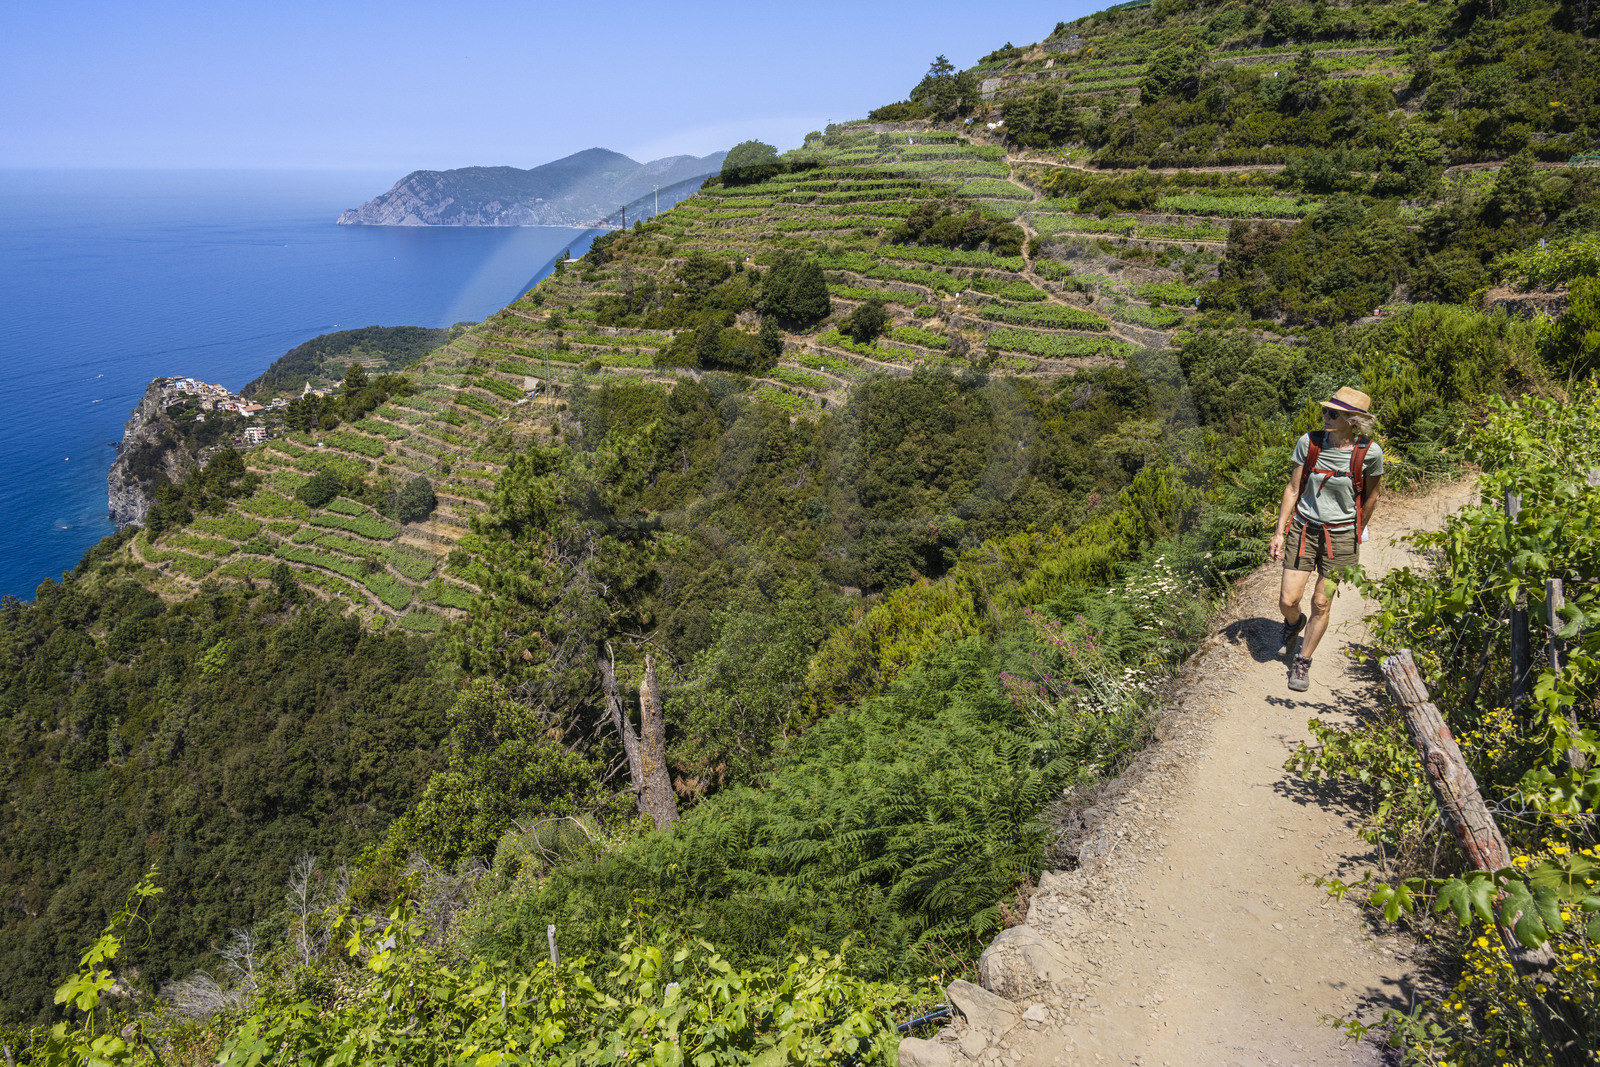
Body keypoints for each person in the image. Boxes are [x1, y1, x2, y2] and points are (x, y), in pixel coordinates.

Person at [1268, 387, 1384, 692]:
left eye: (1334, 413)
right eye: (1325, 411)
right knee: (1288, 600)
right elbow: (1293, 489)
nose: (1326, 417)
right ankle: (1293, 624)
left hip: (1342, 537)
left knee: (1322, 601)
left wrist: (1358, 530)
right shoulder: (1310, 443)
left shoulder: (1369, 452)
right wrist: (1280, 531)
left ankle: (1302, 662)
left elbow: (1372, 496)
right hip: (1304, 530)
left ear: (1353, 420)